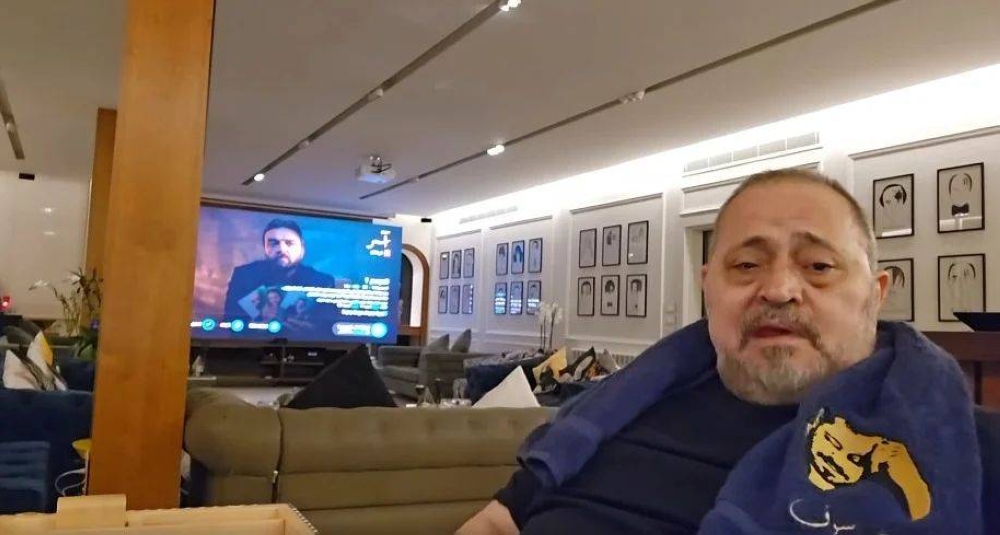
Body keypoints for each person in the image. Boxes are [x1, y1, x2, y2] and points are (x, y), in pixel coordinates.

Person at [457, 169, 1000, 534]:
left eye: (818, 266)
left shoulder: (969, 453)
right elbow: (495, 524)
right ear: (707, 288)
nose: (779, 289)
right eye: (746, 265)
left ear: (875, 295)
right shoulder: (609, 415)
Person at [223, 219, 338, 319]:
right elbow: (230, 322)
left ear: (302, 248)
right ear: (264, 248)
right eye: (273, 243)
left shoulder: (323, 282)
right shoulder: (243, 276)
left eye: (289, 243)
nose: (281, 249)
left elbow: (328, 327)